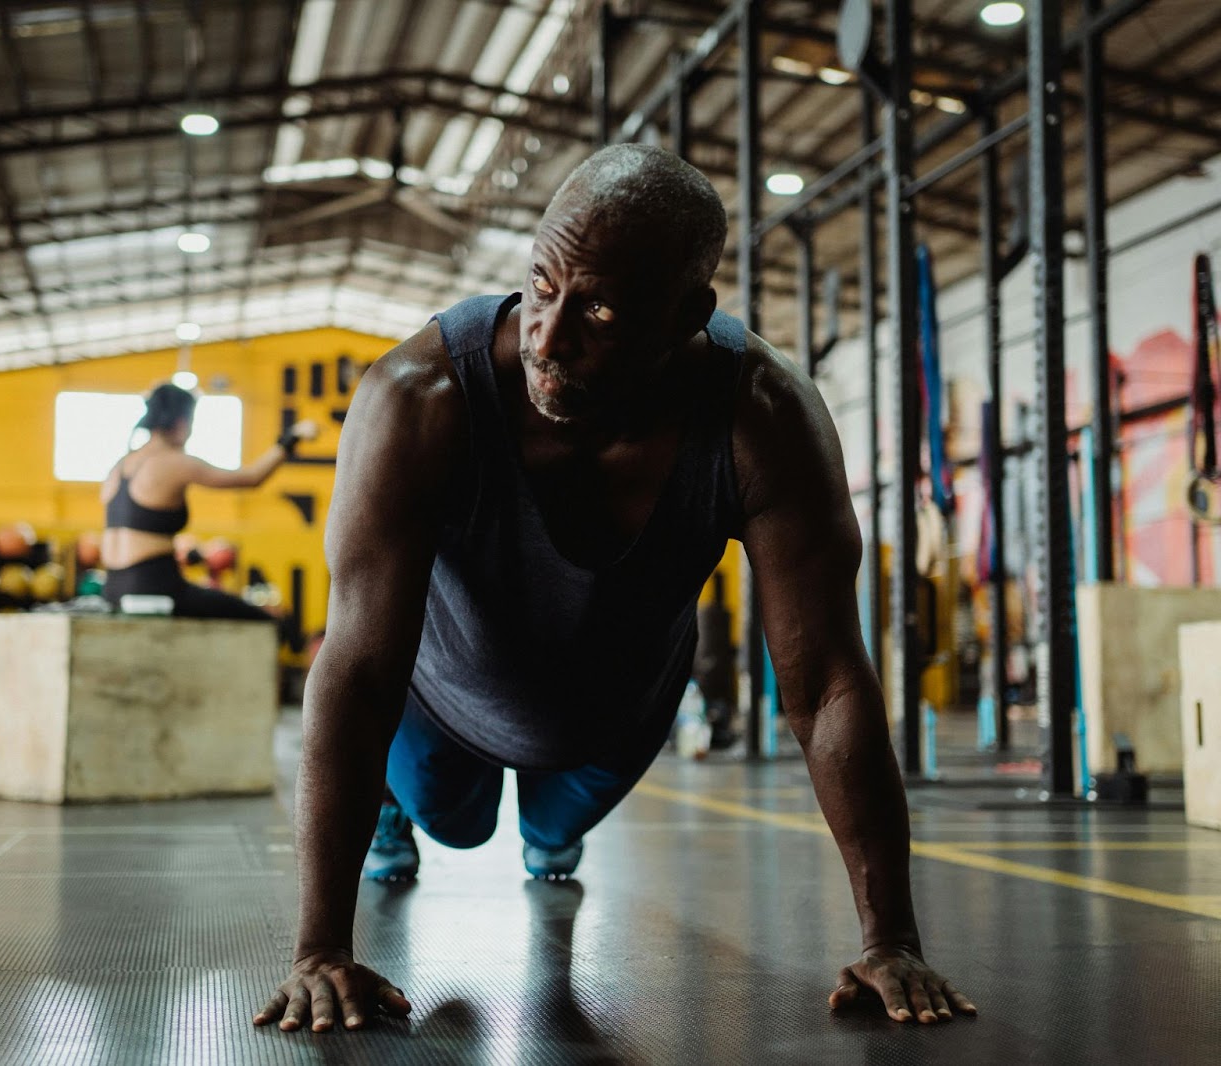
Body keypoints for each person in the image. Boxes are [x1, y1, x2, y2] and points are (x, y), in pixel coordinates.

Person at [253, 145, 976, 1035]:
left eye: (596, 307)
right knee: (456, 823)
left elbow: (827, 682)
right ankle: (401, 811)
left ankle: (547, 829)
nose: (548, 340)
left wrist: (891, 939)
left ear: (688, 317)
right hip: (437, 703)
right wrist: (319, 949)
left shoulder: (762, 415)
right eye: (543, 287)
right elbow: (357, 669)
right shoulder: (421, 397)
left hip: (615, 716)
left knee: (553, 840)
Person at [99, 382, 318, 617]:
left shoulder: (119, 465)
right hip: (154, 586)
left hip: (112, 588)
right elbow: (252, 477)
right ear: (182, 423)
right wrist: (293, 436)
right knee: (261, 617)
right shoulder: (174, 461)